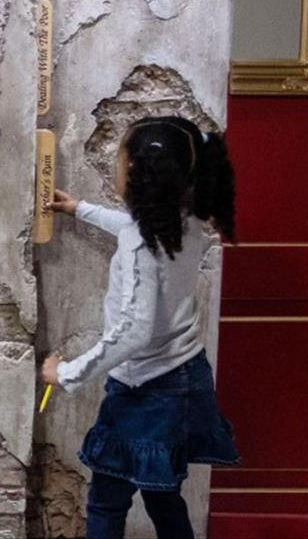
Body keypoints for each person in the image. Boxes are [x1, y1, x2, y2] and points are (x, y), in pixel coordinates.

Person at [41, 116, 241, 539]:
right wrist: (82, 209)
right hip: (184, 377)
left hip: (146, 389)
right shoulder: (186, 223)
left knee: (106, 501)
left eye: (119, 159)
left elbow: (133, 331)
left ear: (133, 172)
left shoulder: (143, 244)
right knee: (162, 495)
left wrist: (66, 373)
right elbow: (134, 227)